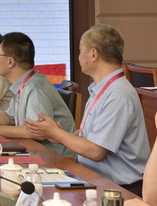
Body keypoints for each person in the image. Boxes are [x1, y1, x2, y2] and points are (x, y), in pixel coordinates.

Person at [25, 25, 148, 196]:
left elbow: (96, 151)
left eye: (80, 49)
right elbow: (90, 136)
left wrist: (56, 132)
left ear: (93, 54)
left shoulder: (118, 94)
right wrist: (60, 136)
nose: (79, 56)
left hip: (119, 190)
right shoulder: (103, 88)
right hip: (94, 178)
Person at [0, 32, 75, 156]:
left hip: (55, 157)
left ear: (10, 61)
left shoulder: (34, 88)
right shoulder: (24, 83)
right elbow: (9, 116)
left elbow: (38, 132)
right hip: (35, 151)